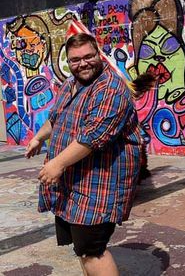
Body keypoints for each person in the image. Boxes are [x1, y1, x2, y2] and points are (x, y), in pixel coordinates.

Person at [25, 33, 143, 276]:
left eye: (88, 56)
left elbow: (93, 137)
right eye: (75, 59)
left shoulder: (111, 89)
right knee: (82, 248)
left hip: (100, 185)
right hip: (73, 183)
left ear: (98, 55)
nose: (83, 63)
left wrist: (56, 163)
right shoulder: (71, 83)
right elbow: (55, 117)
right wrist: (39, 137)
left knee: (93, 249)